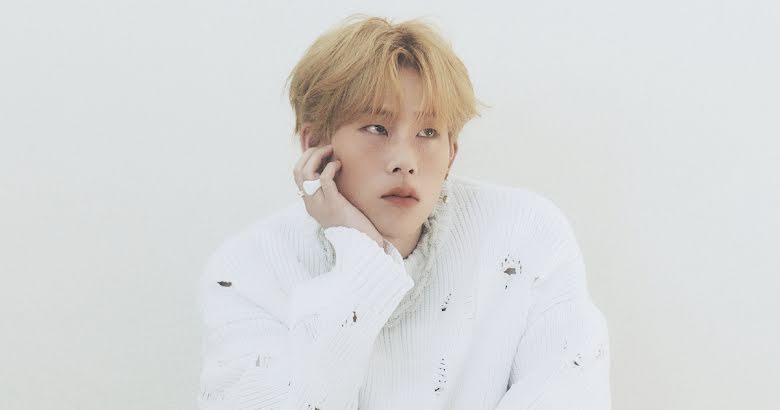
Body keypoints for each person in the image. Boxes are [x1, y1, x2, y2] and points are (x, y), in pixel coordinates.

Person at [197, 14, 611, 410]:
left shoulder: (524, 235)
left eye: (428, 132)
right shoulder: (249, 269)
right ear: (315, 145)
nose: (405, 162)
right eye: (377, 128)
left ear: (451, 154)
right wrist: (361, 256)